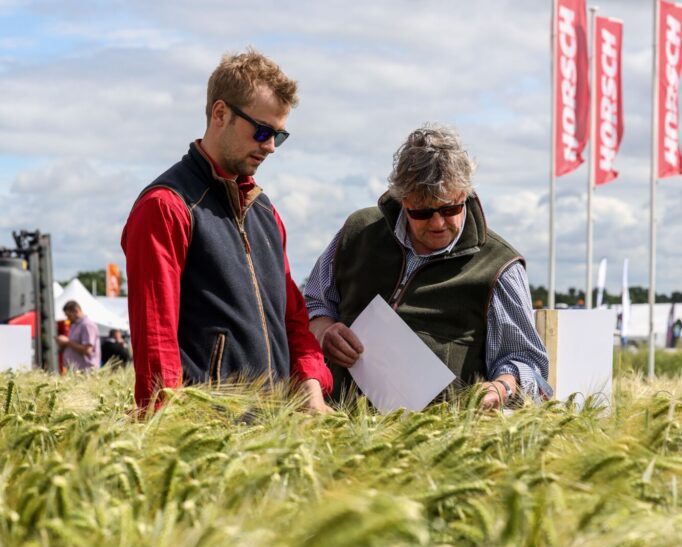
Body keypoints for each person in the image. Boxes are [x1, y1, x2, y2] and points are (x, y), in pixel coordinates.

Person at [121, 49, 332, 412]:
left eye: (279, 137)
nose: (269, 147)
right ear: (220, 114)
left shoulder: (265, 211)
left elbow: (292, 317)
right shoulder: (166, 207)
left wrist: (310, 382)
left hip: (276, 436)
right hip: (209, 437)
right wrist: (162, 434)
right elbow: (156, 342)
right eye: (262, 132)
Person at [304, 124, 550, 409]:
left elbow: (527, 362)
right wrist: (325, 331)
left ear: (466, 195)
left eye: (449, 209)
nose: (437, 223)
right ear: (402, 200)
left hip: (434, 440)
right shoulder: (358, 231)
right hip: (335, 425)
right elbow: (313, 303)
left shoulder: (498, 266)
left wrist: (501, 387)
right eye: (421, 211)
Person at [56, 301, 101, 372]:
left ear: (76, 311)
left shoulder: (87, 325)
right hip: (77, 371)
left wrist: (67, 342)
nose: (68, 318)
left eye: (69, 316)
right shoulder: (75, 325)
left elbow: (87, 350)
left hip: (86, 371)